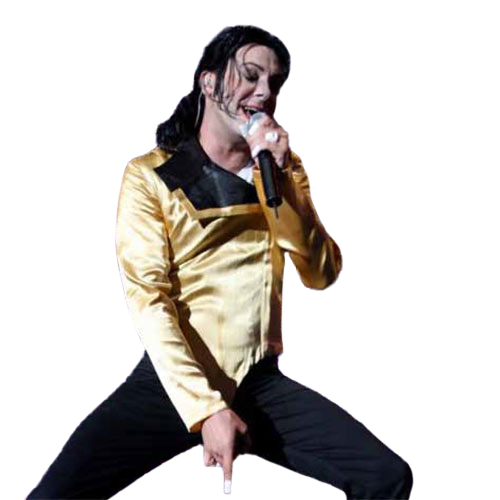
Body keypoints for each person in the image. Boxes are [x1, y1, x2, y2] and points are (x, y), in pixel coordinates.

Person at [26, 24, 413, 499]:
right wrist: (206, 408)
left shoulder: (283, 168)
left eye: (274, 83)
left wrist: (281, 180)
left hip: (255, 381)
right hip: (174, 378)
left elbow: (320, 273)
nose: (264, 92)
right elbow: (148, 297)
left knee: (389, 478)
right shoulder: (151, 175)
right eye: (250, 76)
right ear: (209, 83)